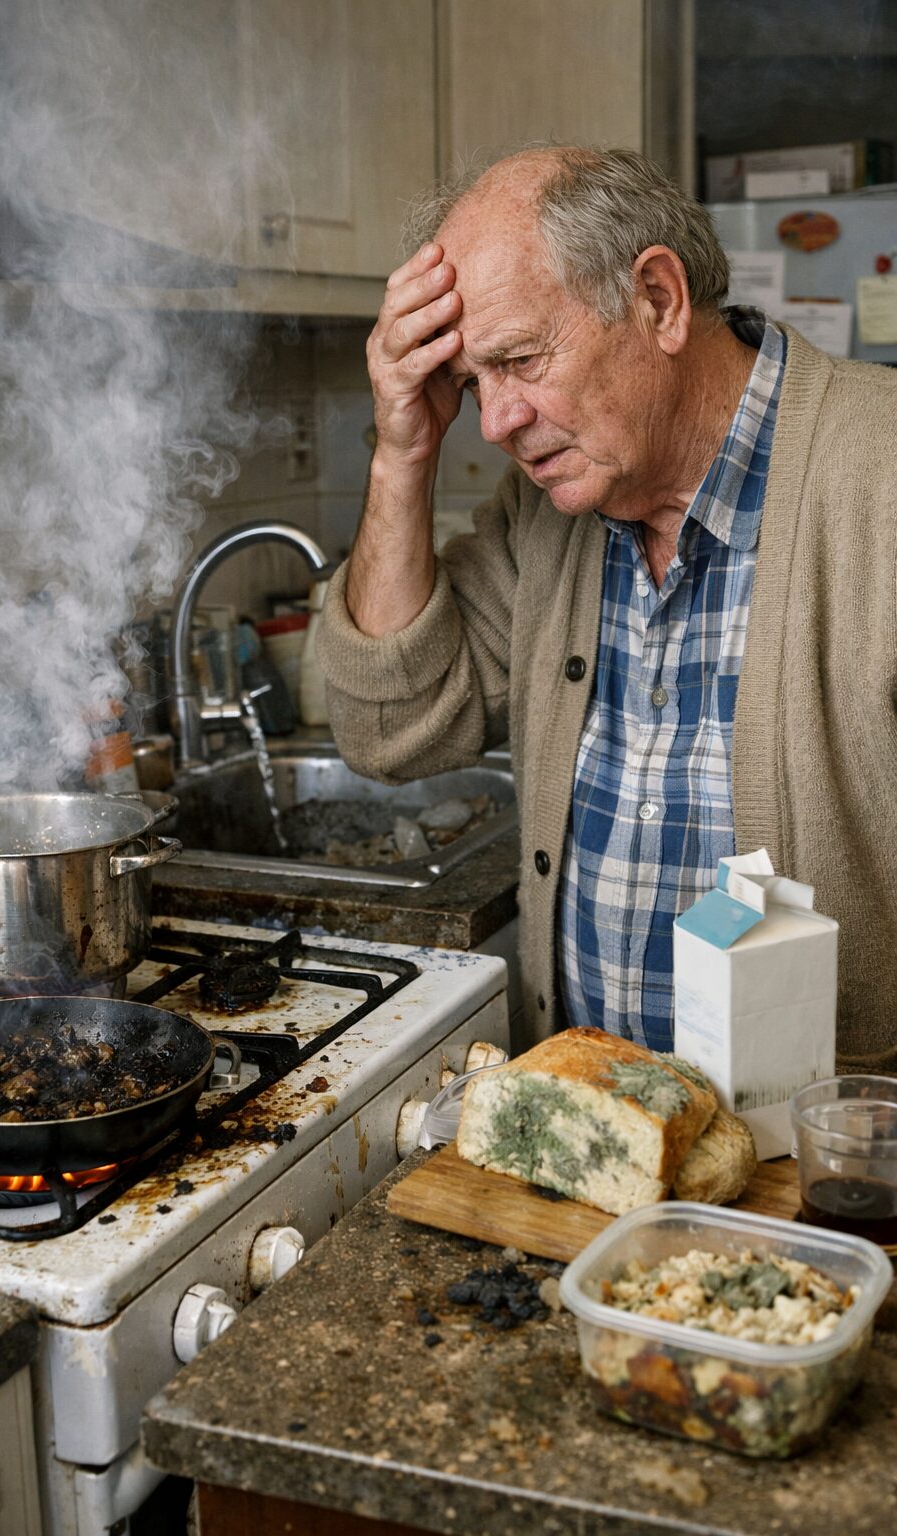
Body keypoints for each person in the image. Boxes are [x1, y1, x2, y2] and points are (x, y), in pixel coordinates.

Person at [316, 144, 897, 1070]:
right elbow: (390, 731)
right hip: (591, 1149)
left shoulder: (880, 473)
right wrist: (401, 454)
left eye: (518, 359)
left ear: (658, 300)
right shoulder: (545, 518)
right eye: (472, 384)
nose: (496, 422)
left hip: (831, 1184)